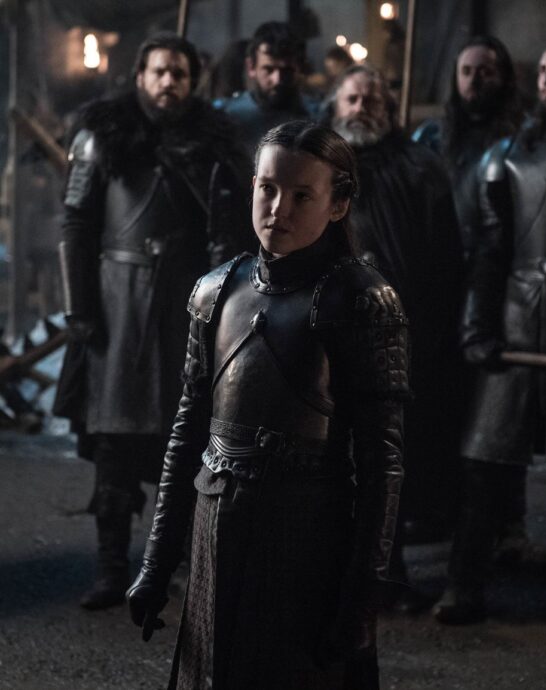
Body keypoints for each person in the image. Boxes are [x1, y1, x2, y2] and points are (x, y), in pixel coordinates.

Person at [127, 120, 409, 690]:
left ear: (337, 204)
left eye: (302, 195)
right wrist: (156, 564)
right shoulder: (214, 290)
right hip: (216, 526)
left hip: (305, 535)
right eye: (268, 188)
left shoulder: (362, 300)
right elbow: (188, 430)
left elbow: (383, 462)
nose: (278, 208)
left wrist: (361, 600)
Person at [53, 31, 251, 611]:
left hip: (187, 303)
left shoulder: (211, 145)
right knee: (114, 438)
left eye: (179, 74)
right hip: (118, 303)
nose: (169, 82)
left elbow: (228, 228)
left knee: (188, 436)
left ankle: (185, 565)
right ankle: (111, 567)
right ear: (140, 76)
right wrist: (80, 309)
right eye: (160, 71)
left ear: (192, 82)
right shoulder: (102, 138)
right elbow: (76, 225)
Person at [325, 64, 462, 605]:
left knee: (391, 454)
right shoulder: (319, 168)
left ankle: (387, 565)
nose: (361, 109)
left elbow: (445, 258)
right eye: (352, 100)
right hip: (331, 330)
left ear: (388, 109)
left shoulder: (420, 168)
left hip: (402, 333)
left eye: (372, 100)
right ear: (336, 107)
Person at [433, 45, 546, 624]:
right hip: (517, 316)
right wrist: (478, 324)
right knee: (484, 457)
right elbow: (491, 249)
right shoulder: (505, 157)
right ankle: (465, 581)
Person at [413, 35, 523, 262]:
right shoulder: (431, 137)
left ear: (503, 77)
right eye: (466, 71)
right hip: (440, 257)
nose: (473, 80)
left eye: (484, 72)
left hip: (499, 258)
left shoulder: (521, 140)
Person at [213, 22, 319, 159]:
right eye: (268, 69)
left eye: (287, 71)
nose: (277, 79)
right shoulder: (228, 116)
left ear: (300, 68)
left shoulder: (317, 115)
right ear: (251, 67)